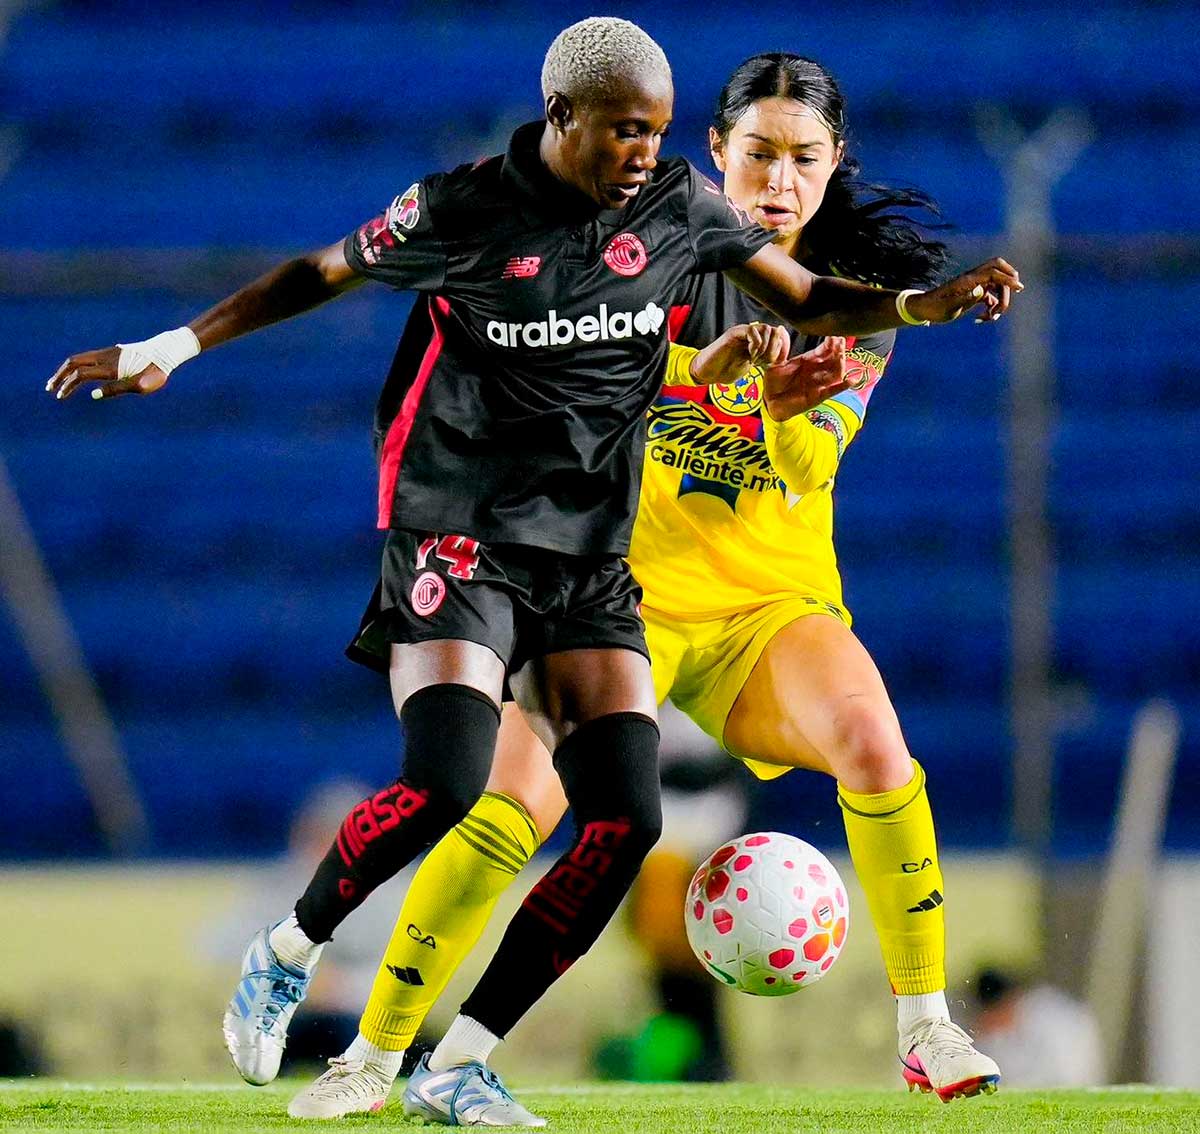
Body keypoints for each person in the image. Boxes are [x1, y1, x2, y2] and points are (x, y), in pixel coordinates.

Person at [47, 18, 1018, 1126]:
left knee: (876, 744)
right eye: (757, 153)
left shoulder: (855, 299)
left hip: (763, 607)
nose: (778, 180)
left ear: (834, 165)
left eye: (803, 158)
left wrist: (782, 391)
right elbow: (573, 391)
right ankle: (375, 1054)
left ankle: (926, 1026)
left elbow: (804, 461)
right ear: (715, 147)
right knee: (501, 802)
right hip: (610, 589)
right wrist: (709, 380)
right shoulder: (650, 240)